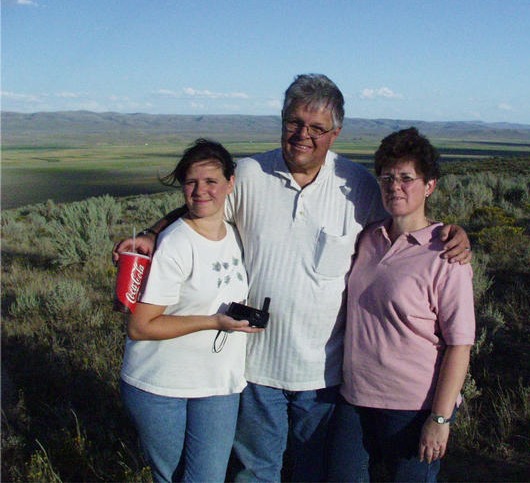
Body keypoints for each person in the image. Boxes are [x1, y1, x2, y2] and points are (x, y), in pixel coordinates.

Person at [114, 75, 472, 482]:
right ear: (282, 122)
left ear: (334, 134)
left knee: (312, 472)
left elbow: (407, 221)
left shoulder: (358, 186)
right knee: (255, 472)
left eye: (317, 128)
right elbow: (202, 203)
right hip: (253, 368)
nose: (303, 135)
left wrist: (453, 233)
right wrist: (152, 232)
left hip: (324, 374)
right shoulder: (248, 174)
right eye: (293, 123)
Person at [327, 128, 475, 483]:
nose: (395, 186)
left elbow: (459, 344)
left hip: (413, 407)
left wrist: (439, 420)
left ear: (430, 186)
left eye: (407, 178)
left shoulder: (446, 255)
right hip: (355, 397)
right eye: (388, 177)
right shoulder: (368, 238)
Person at [119, 139, 263, 483]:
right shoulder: (175, 243)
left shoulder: (235, 235)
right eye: (191, 182)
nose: (201, 191)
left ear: (230, 184)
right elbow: (140, 327)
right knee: (172, 477)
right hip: (161, 385)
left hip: (217, 384)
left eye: (211, 181)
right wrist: (214, 322)